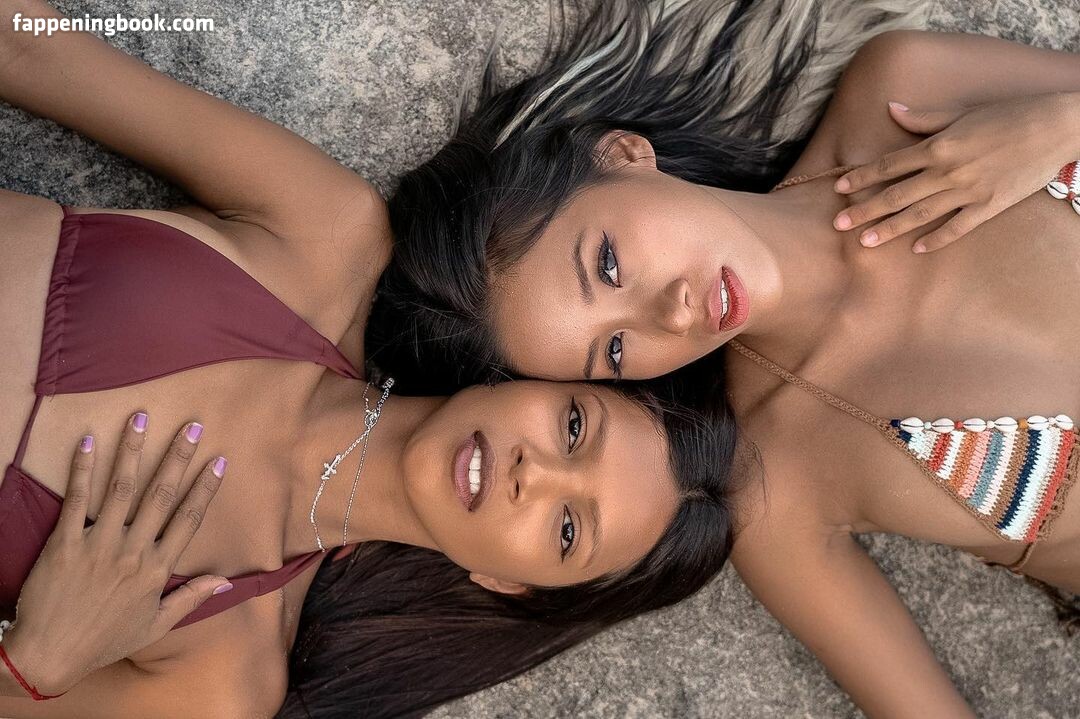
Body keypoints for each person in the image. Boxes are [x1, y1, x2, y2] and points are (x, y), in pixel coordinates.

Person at [0, 1, 737, 716]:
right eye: (574, 427)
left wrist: (34, 665)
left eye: (568, 528)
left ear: (507, 581)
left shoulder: (218, 678)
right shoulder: (326, 237)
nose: (533, 472)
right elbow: (28, 48)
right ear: (539, 377)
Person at [366, 1, 1080, 716]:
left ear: (622, 155)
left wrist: (1058, 123)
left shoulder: (903, 89)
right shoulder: (778, 489)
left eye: (609, 264)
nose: (672, 313)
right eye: (614, 349)